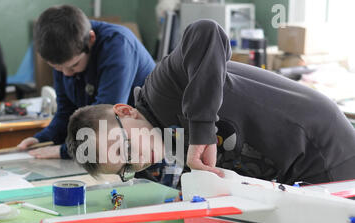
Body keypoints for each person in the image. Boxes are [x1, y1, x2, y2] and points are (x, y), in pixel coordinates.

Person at [65, 19, 355, 185]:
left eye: (125, 148)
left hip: (323, 148)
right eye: (127, 168)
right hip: (293, 173)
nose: (137, 161)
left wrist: (202, 129)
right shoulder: (168, 142)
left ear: (125, 111)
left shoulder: (162, 88)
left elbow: (206, 32)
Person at [17, 5, 155, 160]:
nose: (66, 74)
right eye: (57, 68)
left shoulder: (118, 44)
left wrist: (65, 151)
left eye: (73, 65)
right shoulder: (64, 53)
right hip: (107, 147)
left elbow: (106, 118)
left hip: (148, 147)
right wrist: (42, 139)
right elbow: (66, 111)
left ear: (91, 39)